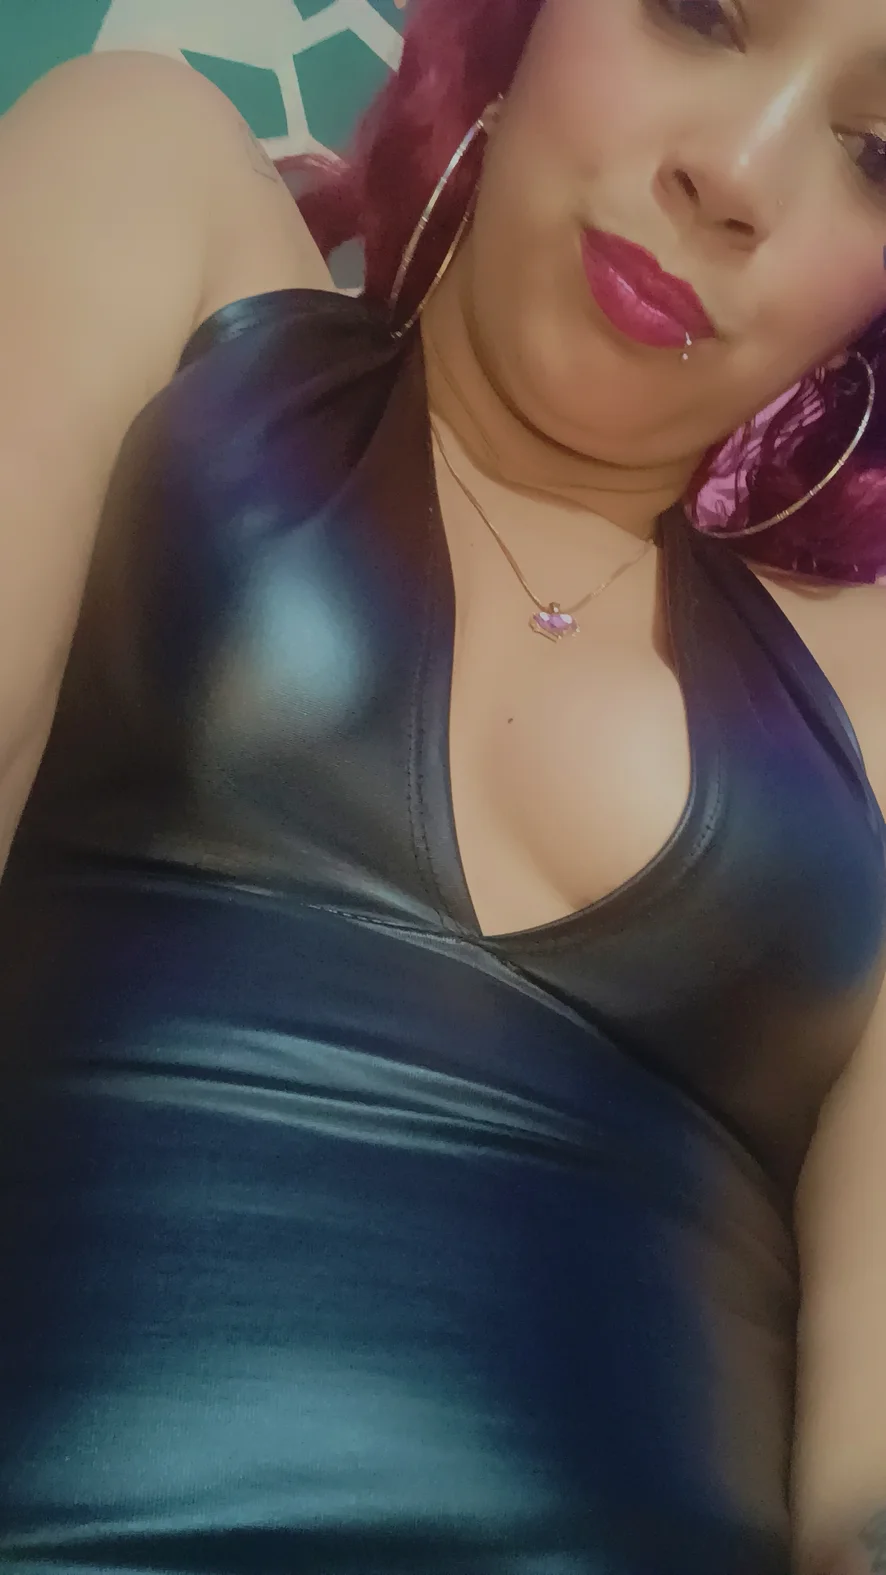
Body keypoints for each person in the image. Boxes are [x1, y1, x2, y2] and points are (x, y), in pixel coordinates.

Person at [1, 0, 886, 1570]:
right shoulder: (159, 189)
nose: (737, 173)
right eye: (695, 10)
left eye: (879, 155)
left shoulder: (869, 697)